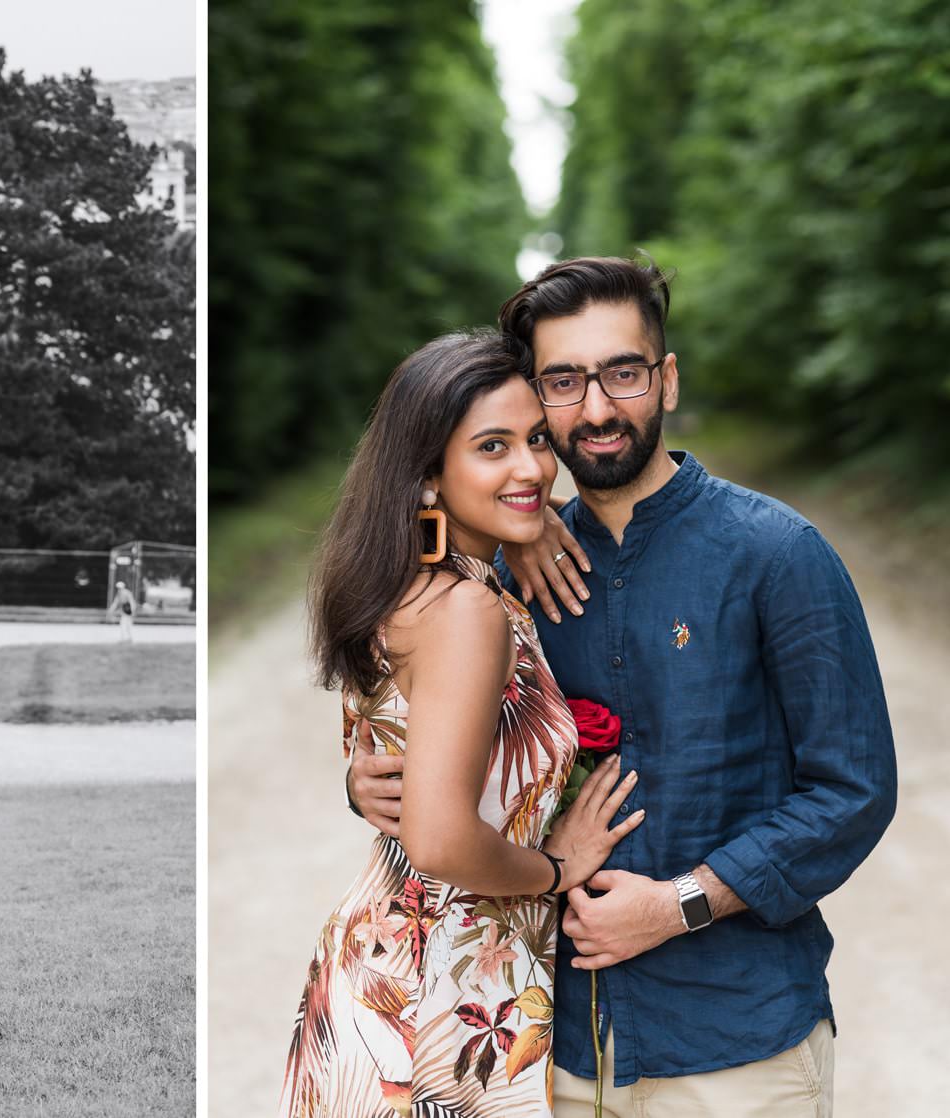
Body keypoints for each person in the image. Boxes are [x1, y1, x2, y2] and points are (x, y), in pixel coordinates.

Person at [348, 256, 897, 1116]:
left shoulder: (778, 555)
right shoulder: (506, 577)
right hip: (542, 1047)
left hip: (734, 1045)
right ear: (534, 396)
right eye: (563, 382)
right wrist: (368, 778)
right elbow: (416, 720)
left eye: (624, 373)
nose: (596, 409)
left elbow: (853, 791)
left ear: (667, 379)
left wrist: (681, 903)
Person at [280, 330, 645, 1118]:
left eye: (537, 441)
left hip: (383, 971)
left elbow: (391, 756)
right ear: (427, 475)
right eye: (492, 447)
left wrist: (534, 519)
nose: (532, 468)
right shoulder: (466, 611)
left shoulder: (403, 585)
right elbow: (442, 840)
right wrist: (557, 869)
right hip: (440, 1002)